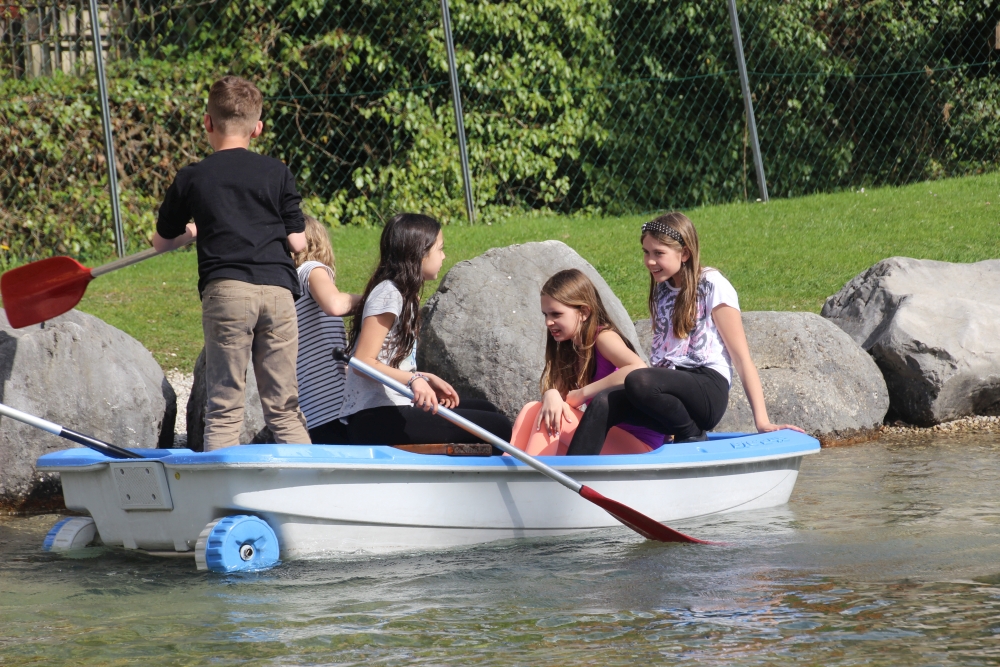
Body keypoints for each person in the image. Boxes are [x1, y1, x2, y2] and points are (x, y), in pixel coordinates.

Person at [152, 75, 311, 450]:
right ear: (258, 128)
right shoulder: (278, 172)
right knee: (285, 410)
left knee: (225, 408)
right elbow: (297, 241)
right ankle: (307, 481)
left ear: (207, 122)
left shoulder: (193, 177)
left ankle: (222, 486)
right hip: (278, 292)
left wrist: (190, 233)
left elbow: (162, 242)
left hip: (228, 292)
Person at [566, 212, 803, 455]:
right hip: (669, 389)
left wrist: (762, 422)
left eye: (659, 253)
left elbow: (742, 359)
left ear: (685, 253)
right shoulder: (662, 290)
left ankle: (690, 433)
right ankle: (573, 471)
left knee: (638, 379)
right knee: (604, 401)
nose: (650, 261)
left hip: (707, 389)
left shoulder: (713, 284)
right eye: (646, 252)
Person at [337, 212, 512, 447]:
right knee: (498, 427)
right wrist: (414, 379)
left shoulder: (404, 295)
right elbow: (362, 362)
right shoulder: (388, 294)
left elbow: (390, 362)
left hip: (395, 406)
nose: (444, 256)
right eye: (440, 249)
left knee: (487, 409)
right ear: (419, 253)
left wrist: (427, 378)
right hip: (375, 417)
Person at [509, 269, 660, 456]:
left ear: (584, 312)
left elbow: (638, 368)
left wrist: (582, 393)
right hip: (605, 436)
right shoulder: (571, 348)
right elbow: (559, 399)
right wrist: (550, 394)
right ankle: (511, 467)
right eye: (545, 315)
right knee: (532, 408)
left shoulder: (604, 337)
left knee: (556, 417)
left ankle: (534, 472)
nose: (548, 322)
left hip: (641, 445)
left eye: (556, 314)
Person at [293, 215, 361, 444]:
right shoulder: (310, 269)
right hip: (332, 405)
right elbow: (335, 305)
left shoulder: (290, 287)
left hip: (310, 409)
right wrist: (375, 300)